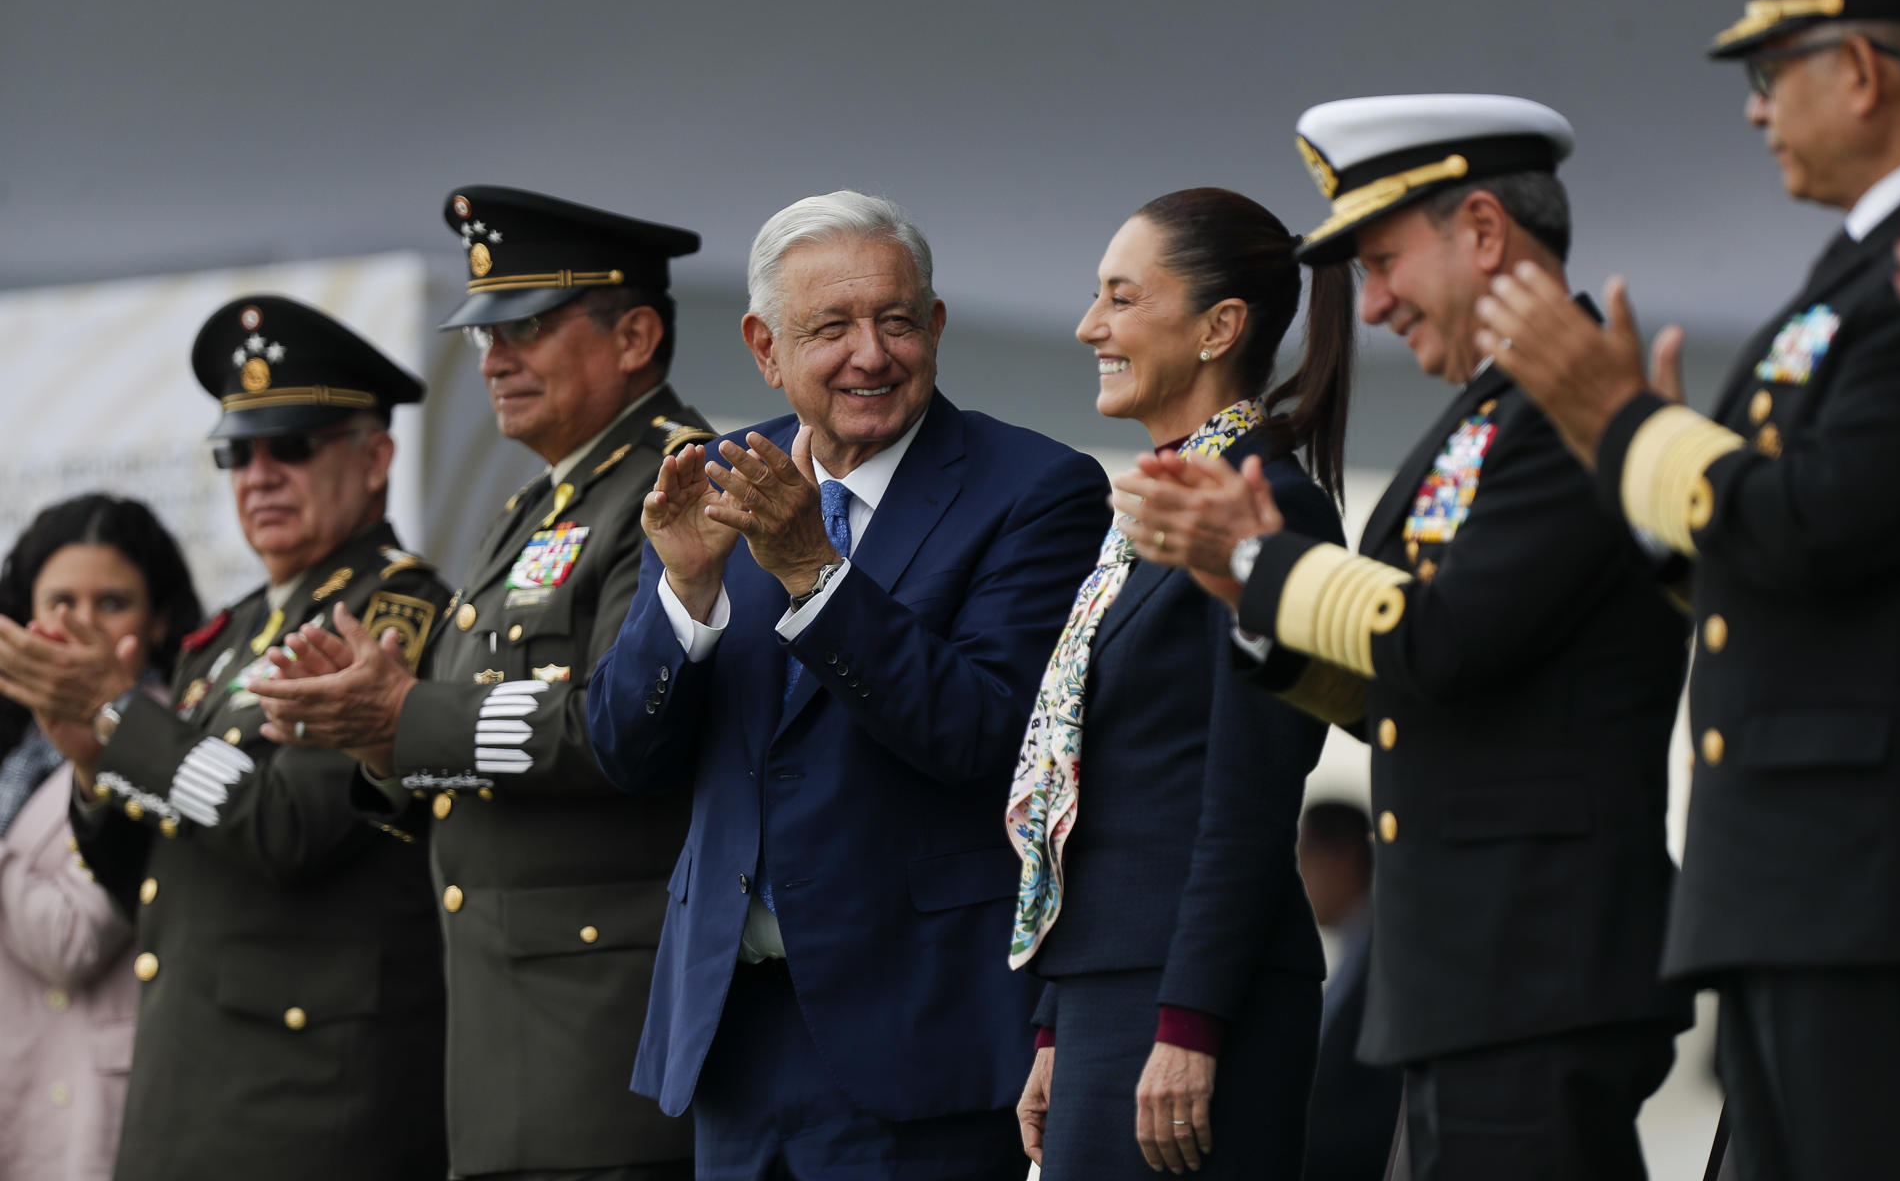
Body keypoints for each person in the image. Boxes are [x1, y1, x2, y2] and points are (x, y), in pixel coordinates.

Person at [1119, 96, 1693, 1180]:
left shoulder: (1563, 411)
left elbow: (1443, 641)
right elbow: (1403, 691)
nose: (1371, 305)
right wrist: (1244, 594)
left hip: (1538, 961)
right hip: (1473, 970)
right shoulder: (1483, 415)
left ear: (1482, 231)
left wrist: (1258, 562)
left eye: (1384, 261)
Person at [1474, 0, 1900, 1177]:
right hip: (1799, 872)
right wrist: (1623, 454)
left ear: (1864, 73)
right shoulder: (1854, 269)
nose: (1754, 111)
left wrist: (1620, 424)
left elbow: (1823, 521)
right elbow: (1776, 553)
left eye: (1773, 77)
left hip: (1864, 870)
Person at [586, 190, 1112, 1180]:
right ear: (764, 346)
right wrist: (689, 591)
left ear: (938, 326)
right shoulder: (722, 481)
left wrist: (813, 572)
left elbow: (982, 731)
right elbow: (623, 749)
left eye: (897, 320)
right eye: (830, 327)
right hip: (734, 1032)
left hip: (918, 1033)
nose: (870, 353)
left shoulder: (1037, 489)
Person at [252, 186, 712, 1180]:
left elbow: (624, 725)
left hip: (608, 1048)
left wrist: (407, 712)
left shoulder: (679, 486)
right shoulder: (536, 505)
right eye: (484, 336)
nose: (495, 359)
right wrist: (379, 739)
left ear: (634, 334)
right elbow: (466, 740)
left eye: (528, 328)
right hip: (505, 1050)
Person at [0, 296, 451, 1179]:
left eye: (294, 446)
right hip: (191, 1093)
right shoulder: (231, 634)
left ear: (376, 459)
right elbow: (153, 882)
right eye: (237, 453)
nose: (260, 474)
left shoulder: (396, 616)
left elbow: (289, 831)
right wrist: (95, 767)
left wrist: (123, 716)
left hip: (311, 1106)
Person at [1005, 188, 1349, 1179]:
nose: (1089, 326)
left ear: (1218, 328)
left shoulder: (1266, 505)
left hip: (1192, 996)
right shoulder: (1157, 505)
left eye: (1121, 297)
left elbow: (1245, 786)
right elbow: (1106, 775)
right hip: (1113, 985)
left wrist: (1190, 1020)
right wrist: (1057, 1021)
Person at [0, 495, 199, 1181]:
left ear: (160, 622)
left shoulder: (166, 745)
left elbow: (69, 941)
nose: (78, 625)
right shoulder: (15, 746)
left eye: (111, 602)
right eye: (59, 603)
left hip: (90, 1111)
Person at [1296, 802, 1400, 1181]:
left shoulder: (1384, 957)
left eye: (1305, 855)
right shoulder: (1352, 951)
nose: (1301, 875)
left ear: (1343, 856)